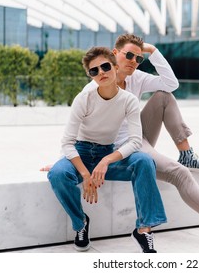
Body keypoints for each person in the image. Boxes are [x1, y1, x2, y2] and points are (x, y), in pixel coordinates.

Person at [43, 34, 199, 244]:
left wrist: (154, 51)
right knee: (179, 173)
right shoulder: (94, 87)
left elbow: (171, 84)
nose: (133, 61)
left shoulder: (137, 77)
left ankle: (186, 153)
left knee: (163, 96)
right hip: (123, 147)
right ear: (114, 54)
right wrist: (65, 161)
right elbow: (81, 132)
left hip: (138, 136)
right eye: (128, 55)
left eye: (138, 58)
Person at [47, 46, 166, 253]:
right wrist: (85, 174)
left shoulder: (128, 100)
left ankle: (143, 230)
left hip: (107, 153)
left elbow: (135, 141)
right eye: (94, 70)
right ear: (90, 75)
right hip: (81, 152)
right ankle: (80, 223)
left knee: (145, 161)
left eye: (105, 66)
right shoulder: (84, 98)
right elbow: (67, 142)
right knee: (57, 174)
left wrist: (106, 160)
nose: (101, 72)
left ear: (114, 66)